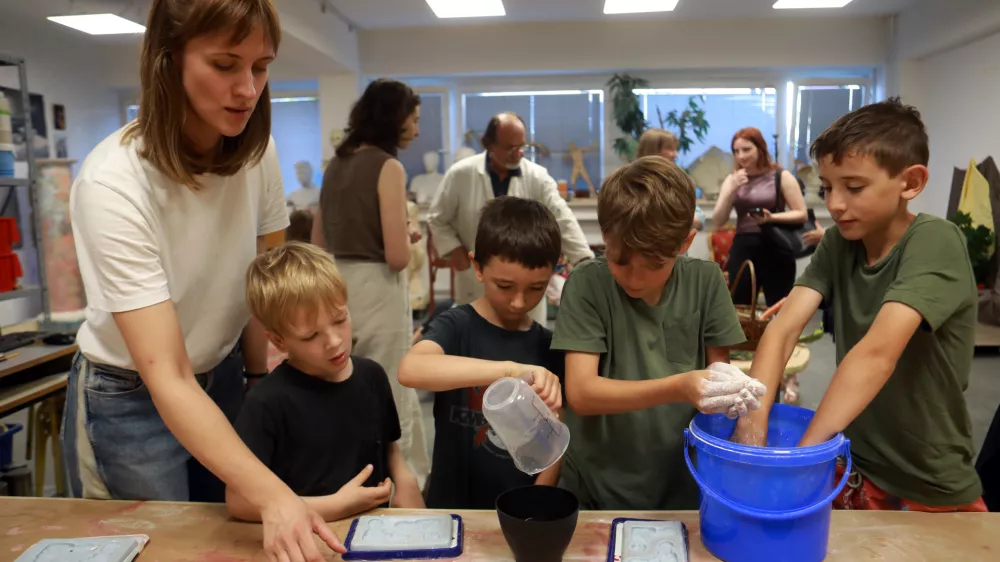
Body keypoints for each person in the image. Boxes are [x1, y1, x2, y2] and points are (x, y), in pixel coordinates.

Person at [60, 1, 345, 560]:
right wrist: (277, 496)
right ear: (169, 60)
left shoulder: (258, 154)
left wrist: (262, 378)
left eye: (260, 67)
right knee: (159, 547)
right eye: (224, 65)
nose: (247, 89)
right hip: (131, 398)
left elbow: (269, 290)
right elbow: (166, 373)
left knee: (229, 542)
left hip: (223, 375)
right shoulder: (112, 184)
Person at [734, 98, 987, 513]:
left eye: (853, 188)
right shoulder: (839, 242)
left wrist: (802, 458)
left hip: (927, 469)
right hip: (859, 458)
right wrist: (751, 427)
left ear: (910, 182)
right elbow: (782, 329)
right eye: (827, 188)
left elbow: (875, 355)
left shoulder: (934, 241)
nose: (835, 204)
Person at [552, 156, 765, 510]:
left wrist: (729, 391)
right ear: (605, 237)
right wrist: (679, 386)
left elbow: (717, 374)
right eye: (620, 261)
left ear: (685, 242)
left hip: (678, 479)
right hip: (596, 483)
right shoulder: (587, 284)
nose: (635, 278)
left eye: (654, 265)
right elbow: (582, 393)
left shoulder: (706, 281)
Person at [228, 242, 424, 522]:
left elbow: (388, 445)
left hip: (374, 530)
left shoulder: (373, 376)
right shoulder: (266, 404)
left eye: (340, 319)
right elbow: (238, 503)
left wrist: (405, 479)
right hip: (308, 534)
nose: (334, 342)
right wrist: (334, 506)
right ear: (279, 341)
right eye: (311, 336)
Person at [398, 196, 565, 509]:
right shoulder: (456, 325)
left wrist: (537, 500)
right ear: (477, 267)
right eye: (505, 286)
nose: (519, 301)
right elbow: (410, 369)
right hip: (450, 507)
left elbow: (554, 444)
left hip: (517, 508)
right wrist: (512, 371)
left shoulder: (548, 346)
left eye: (535, 288)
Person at [311, 78, 431, 487]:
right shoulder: (388, 166)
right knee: (390, 392)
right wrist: (408, 236)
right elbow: (398, 257)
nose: (417, 130)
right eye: (413, 120)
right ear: (394, 118)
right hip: (378, 289)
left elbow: (317, 242)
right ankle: (398, 489)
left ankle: (352, 479)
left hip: (336, 286)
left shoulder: (335, 164)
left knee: (345, 383)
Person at [428, 112, 593, 326]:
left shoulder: (537, 177)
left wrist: (584, 259)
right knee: (475, 339)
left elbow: (562, 218)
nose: (518, 153)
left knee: (526, 340)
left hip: (524, 286)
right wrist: (453, 249)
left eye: (521, 146)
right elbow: (437, 218)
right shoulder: (460, 174)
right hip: (475, 282)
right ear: (489, 144)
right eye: (510, 148)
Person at [712, 127, 807, 307]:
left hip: (776, 245)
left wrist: (771, 218)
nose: (741, 156)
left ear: (760, 148)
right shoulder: (732, 179)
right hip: (744, 247)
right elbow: (718, 220)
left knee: (779, 305)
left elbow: (801, 214)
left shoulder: (781, 176)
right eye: (736, 151)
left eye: (746, 149)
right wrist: (731, 189)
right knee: (740, 306)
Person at [637, 128, 705, 231]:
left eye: (675, 149)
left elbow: (699, 216)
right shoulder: (631, 182)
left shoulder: (677, 182)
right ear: (652, 150)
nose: (675, 154)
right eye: (670, 149)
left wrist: (688, 221)